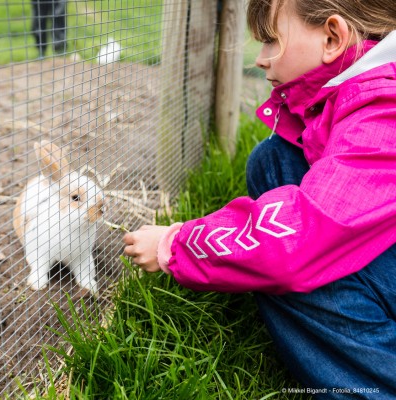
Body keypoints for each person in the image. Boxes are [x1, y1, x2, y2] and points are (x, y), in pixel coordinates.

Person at [123, 0, 396, 396]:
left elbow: (301, 234)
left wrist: (176, 244)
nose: (263, 59)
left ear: (333, 37)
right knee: (274, 160)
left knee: (286, 260)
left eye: (271, 40)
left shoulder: (384, 111)